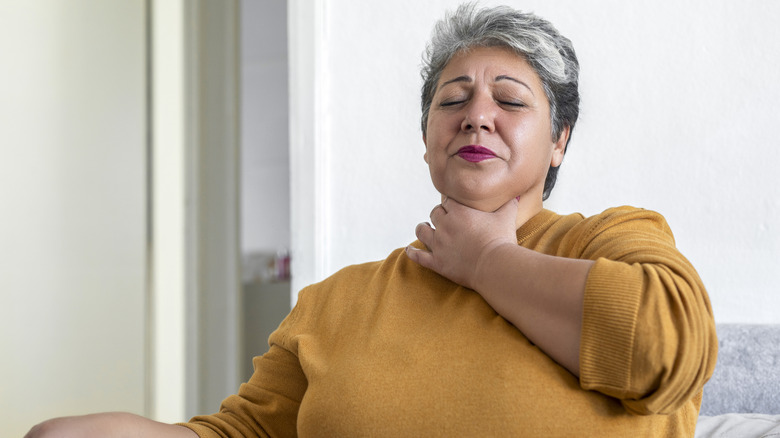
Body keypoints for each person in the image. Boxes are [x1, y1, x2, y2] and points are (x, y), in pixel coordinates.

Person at [26, 4, 717, 437]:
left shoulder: (613, 241)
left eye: (510, 99)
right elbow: (240, 435)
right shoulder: (337, 303)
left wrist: (484, 261)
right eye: (453, 99)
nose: (477, 113)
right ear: (426, 138)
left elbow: (667, 347)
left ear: (561, 139)